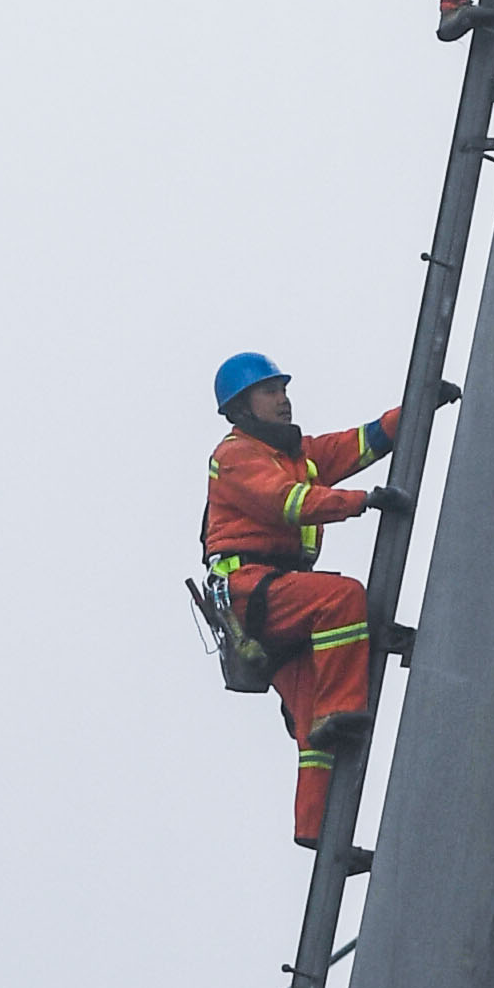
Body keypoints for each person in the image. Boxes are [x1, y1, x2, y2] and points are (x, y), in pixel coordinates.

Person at [203, 354, 404, 845]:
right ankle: (342, 707)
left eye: (282, 389)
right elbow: (288, 502)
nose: (283, 398)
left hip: (267, 595)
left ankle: (315, 832)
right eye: (269, 391)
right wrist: (363, 501)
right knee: (341, 600)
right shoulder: (236, 456)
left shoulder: (296, 455)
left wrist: (417, 410)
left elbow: (358, 444)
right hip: (251, 588)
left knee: (310, 724)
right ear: (241, 407)